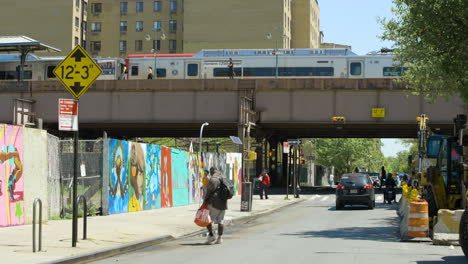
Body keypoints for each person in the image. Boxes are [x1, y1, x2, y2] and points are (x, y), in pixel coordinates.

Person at [202, 169, 227, 245]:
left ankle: (211, 235)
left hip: (214, 203)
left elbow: (208, 192)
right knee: (221, 221)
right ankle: (220, 238)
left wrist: (205, 201)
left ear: (211, 172)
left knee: (208, 219)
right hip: (223, 203)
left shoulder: (213, 179)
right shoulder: (222, 177)